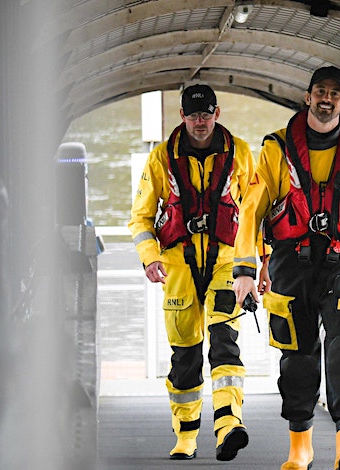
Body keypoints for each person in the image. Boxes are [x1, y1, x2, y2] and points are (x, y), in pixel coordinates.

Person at [232, 66, 340, 470]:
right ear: (307, 97)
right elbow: (250, 211)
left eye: (334, 94)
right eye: (319, 91)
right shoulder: (276, 149)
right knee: (298, 355)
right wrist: (245, 270)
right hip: (292, 263)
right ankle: (299, 449)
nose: (326, 99)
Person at [128, 84, 254, 461]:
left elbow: (255, 215)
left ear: (218, 113)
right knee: (184, 356)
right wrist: (150, 257)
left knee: (224, 341)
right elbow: (140, 218)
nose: (200, 122)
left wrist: (258, 268)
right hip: (178, 266)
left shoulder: (242, 155)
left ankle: (229, 425)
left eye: (206, 113)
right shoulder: (160, 160)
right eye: (193, 115)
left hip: (226, 261)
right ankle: (186, 435)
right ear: (182, 117)